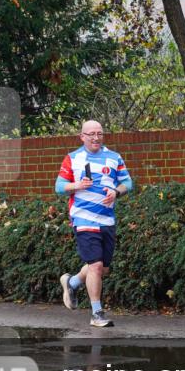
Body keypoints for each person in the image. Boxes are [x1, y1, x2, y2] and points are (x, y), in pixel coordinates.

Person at [55, 120, 133, 327]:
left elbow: (128, 183)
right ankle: (97, 313)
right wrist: (77, 185)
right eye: (91, 134)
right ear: (82, 136)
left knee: (102, 269)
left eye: (99, 133)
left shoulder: (114, 157)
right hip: (83, 217)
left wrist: (116, 192)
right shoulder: (73, 158)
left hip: (107, 219)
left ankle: (71, 283)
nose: (96, 137)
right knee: (96, 266)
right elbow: (59, 187)